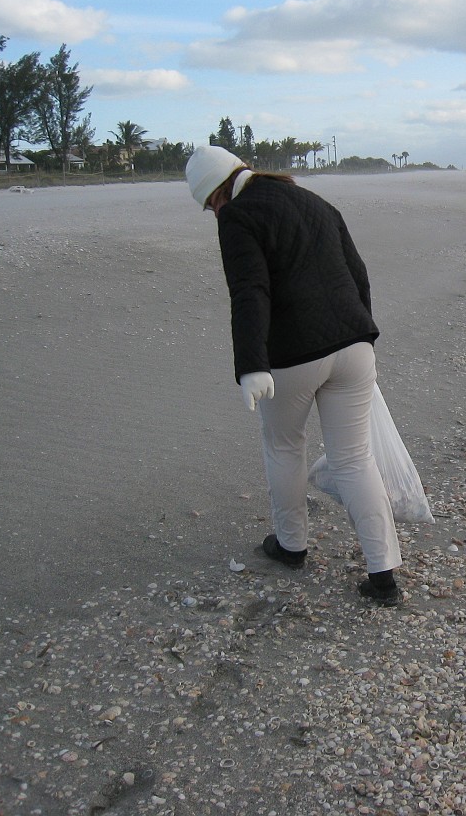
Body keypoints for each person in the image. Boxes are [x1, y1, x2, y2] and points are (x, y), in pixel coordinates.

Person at [185, 144, 403, 605]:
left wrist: (250, 366)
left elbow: (249, 292)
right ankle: (383, 575)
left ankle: (291, 546)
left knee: (284, 447)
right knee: (354, 459)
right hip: (355, 345)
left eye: (209, 205)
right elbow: (357, 273)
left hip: (295, 357)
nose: (213, 213)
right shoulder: (314, 200)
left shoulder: (238, 216)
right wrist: (362, 335)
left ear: (218, 192)